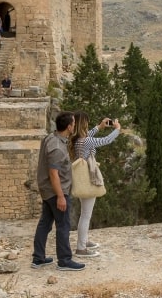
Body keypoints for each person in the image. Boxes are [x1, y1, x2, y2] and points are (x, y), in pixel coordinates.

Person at [31, 111, 85, 272]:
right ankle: (64, 260)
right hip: (56, 191)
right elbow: (53, 174)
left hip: (47, 190)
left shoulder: (51, 138)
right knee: (63, 225)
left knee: (45, 223)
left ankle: (38, 258)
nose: (75, 125)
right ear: (69, 126)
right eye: (73, 123)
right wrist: (61, 196)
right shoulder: (57, 148)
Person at [71, 113, 121, 257]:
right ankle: (81, 248)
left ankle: (84, 241)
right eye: (87, 123)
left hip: (81, 178)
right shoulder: (86, 141)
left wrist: (99, 127)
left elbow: (88, 137)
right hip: (88, 178)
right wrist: (117, 129)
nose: (88, 126)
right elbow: (106, 140)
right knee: (86, 215)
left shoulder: (76, 140)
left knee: (84, 214)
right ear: (83, 125)